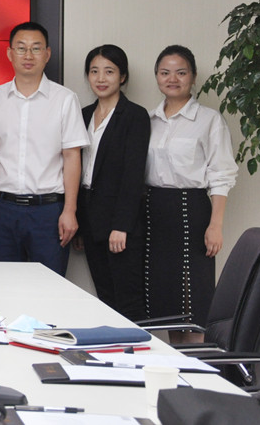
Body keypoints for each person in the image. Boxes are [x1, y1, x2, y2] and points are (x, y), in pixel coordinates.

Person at [0, 21, 89, 276]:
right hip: (3, 209)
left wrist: (70, 210)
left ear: (47, 54)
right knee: (3, 286)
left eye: (36, 48)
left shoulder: (65, 99)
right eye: (21, 48)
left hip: (48, 212)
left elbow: (72, 156)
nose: (28, 55)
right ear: (10, 53)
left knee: (49, 288)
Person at [145, 44, 236, 336]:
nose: (172, 79)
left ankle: (196, 360)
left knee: (193, 299)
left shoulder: (209, 120)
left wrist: (215, 226)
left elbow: (221, 174)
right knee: (167, 302)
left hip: (191, 212)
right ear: (157, 76)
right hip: (153, 215)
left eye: (181, 73)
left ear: (193, 77)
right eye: (165, 73)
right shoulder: (147, 120)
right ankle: (175, 358)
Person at [76, 45, 149, 321]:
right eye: (94, 71)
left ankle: (136, 348)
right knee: (105, 297)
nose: (101, 78)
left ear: (122, 76)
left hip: (119, 223)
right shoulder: (83, 114)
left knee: (128, 300)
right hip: (90, 219)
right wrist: (79, 223)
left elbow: (133, 174)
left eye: (109, 71)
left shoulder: (134, 115)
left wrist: (122, 226)